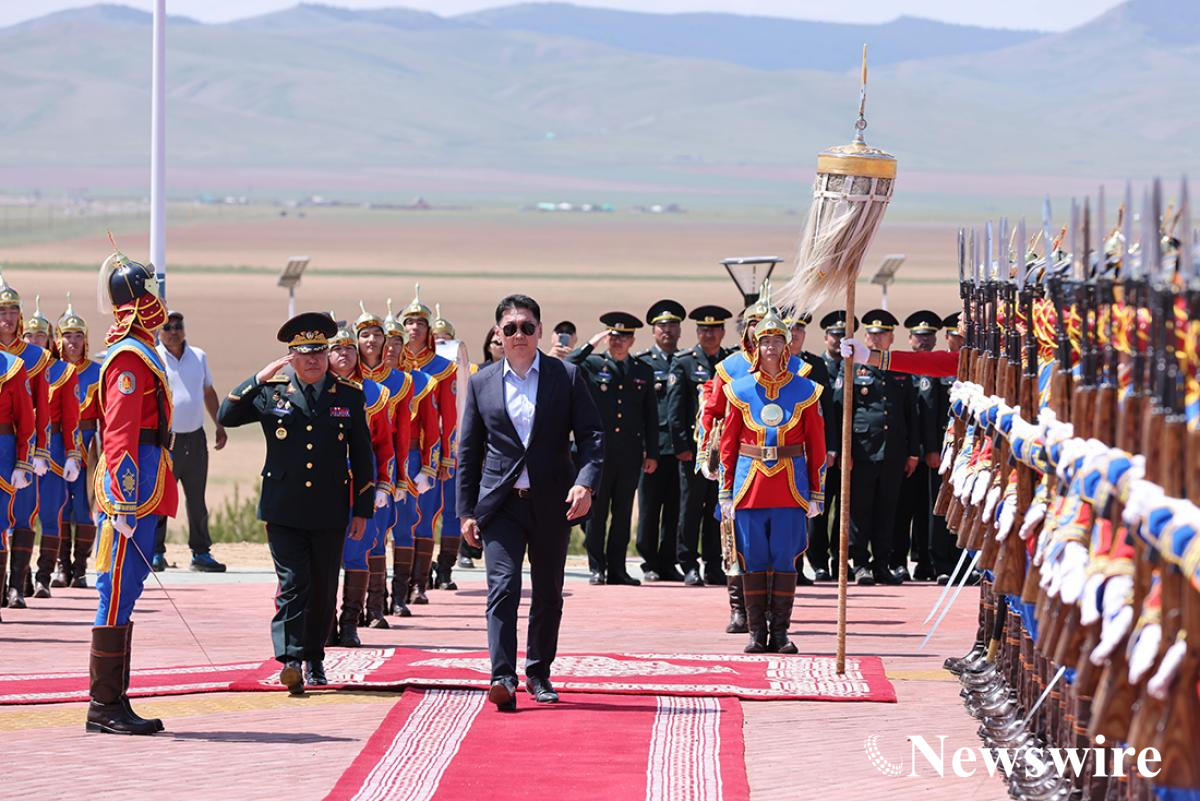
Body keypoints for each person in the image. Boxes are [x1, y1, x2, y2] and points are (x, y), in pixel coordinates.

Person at [457, 294, 603, 710]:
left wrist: (586, 484)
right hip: (500, 505)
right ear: (498, 335)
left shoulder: (566, 377)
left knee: (549, 592)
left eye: (526, 327)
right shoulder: (482, 382)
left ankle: (538, 672)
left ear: (539, 331)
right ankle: (502, 677)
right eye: (510, 328)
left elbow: (592, 436)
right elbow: (469, 451)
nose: (518, 334)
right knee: (503, 587)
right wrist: (466, 512)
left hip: (552, 502)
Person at [218, 312, 375, 694]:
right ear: (292, 356)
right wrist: (258, 378)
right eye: (305, 354)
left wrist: (362, 509)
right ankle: (290, 659)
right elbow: (227, 415)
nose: (313, 361)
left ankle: (314, 657)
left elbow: (362, 455)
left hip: (329, 508)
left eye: (319, 353)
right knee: (293, 584)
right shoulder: (271, 392)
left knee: (323, 588)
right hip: (284, 508)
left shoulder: (348, 395)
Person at [88, 247, 179, 734]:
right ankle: (104, 705)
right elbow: (120, 431)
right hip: (132, 484)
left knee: (130, 585)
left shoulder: (141, 348)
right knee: (117, 586)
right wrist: (123, 500)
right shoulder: (128, 355)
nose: (158, 300)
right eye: (150, 291)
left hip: (147, 475)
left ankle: (115, 699)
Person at [718, 309, 826, 653]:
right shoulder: (738, 389)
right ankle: (755, 633)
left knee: (784, 559)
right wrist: (725, 491)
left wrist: (817, 492)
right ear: (756, 344)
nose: (771, 348)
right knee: (751, 558)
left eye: (778, 340)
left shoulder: (807, 389)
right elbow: (728, 445)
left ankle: (780, 633)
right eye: (765, 341)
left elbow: (817, 444)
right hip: (750, 486)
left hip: (789, 486)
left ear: (787, 345)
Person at [569, 312, 659, 586]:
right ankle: (597, 567)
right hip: (598, 453)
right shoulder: (593, 364)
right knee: (596, 513)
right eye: (613, 336)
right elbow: (566, 365)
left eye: (623, 337)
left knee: (622, 513)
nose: (617, 341)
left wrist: (652, 452)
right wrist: (590, 344)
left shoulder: (642, 370)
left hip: (629, 453)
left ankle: (618, 569)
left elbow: (650, 416)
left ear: (632, 340)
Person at [325, 320, 397, 647]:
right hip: (322, 488)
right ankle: (326, 624)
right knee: (324, 559)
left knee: (357, 555)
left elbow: (384, 445)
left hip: (360, 487)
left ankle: (350, 622)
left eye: (348, 349)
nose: (344, 354)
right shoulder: (316, 389)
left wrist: (383, 485)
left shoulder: (375, 394)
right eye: (336, 349)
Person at [835, 309, 919, 586]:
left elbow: (911, 412)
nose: (877, 338)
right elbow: (841, 410)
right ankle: (860, 564)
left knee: (887, 509)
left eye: (883, 334)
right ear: (865, 337)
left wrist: (912, 452)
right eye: (872, 334)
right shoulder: (852, 367)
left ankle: (882, 563)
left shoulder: (899, 367)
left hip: (893, 451)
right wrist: (844, 450)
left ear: (892, 338)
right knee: (860, 510)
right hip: (863, 450)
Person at [666, 306, 736, 621]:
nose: (709, 334)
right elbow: (675, 409)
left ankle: (713, 562)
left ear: (722, 332)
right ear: (697, 333)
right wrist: (682, 447)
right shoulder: (684, 363)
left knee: (717, 508)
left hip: (725, 452)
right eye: (703, 330)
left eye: (714, 329)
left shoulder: (730, 363)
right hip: (696, 452)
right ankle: (689, 563)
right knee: (691, 506)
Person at [153, 310, 227, 573]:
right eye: (168, 327)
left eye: (178, 326)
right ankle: (155, 552)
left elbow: (208, 391)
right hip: (166, 440)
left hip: (195, 438)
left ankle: (201, 552)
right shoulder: (154, 358)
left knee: (197, 500)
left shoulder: (199, 356)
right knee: (161, 498)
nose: (173, 331)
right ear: (159, 332)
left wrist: (219, 424)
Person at [398, 285, 457, 602]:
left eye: (420, 323)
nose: (414, 328)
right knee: (397, 519)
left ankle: (419, 583)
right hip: (394, 453)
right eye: (408, 322)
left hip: (424, 454)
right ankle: (397, 585)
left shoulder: (443, 368)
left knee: (424, 518)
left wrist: (446, 458)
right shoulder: (392, 366)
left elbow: (449, 417)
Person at [379, 304, 438, 615]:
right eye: (386, 340)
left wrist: (428, 467)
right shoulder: (361, 382)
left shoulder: (419, 382)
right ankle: (375, 598)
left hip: (409, 459)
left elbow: (432, 427)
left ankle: (401, 594)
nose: (391, 347)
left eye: (397, 341)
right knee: (374, 529)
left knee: (405, 525)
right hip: (375, 460)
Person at [22, 300, 82, 599]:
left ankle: (43, 576)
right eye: (30, 336)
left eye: (41, 336)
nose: (36, 341)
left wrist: (73, 453)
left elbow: (72, 418)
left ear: (50, 340)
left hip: (55, 449)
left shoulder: (64, 372)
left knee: (50, 514)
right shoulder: (13, 368)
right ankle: (18, 578)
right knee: (17, 516)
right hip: (20, 449)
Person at [0, 272, 51, 610]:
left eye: (12, 311)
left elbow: (40, 409)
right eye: (1, 312)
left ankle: (17, 585)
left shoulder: (34, 357)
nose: (7, 318)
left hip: (20, 446)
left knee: (23, 514)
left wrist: (38, 452)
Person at [354, 302, 407, 627]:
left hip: (377, 471)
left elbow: (396, 437)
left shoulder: (396, 384)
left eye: (376, 334)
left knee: (376, 538)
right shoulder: (343, 380)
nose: (371, 341)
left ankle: (375, 607)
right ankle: (350, 611)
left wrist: (395, 480)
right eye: (365, 335)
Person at [891, 310, 944, 582]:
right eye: (919, 336)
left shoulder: (942, 370)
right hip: (905, 453)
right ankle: (898, 561)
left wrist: (933, 448)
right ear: (910, 339)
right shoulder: (901, 369)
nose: (924, 341)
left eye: (929, 336)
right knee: (902, 510)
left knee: (928, 512)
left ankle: (926, 562)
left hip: (933, 454)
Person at [634, 299, 685, 582]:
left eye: (673, 325)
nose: (668, 330)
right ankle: (649, 562)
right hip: (653, 447)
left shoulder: (686, 361)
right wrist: (644, 447)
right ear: (653, 330)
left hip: (680, 448)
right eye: (662, 326)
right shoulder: (643, 363)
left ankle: (668, 561)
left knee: (676, 508)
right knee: (650, 508)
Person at [54, 296, 101, 588]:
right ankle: (61, 565)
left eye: (79, 336)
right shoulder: (50, 371)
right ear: (59, 339)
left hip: (88, 449)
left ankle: (80, 567)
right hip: (58, 446)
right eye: (68, 336)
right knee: (59, 507)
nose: (73, 342)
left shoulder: (97, 372)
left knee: (84, 509)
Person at [786, 312, 836, 587]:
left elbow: (827, 408)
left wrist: (830, 449)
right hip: (783, 447)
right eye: (789, 329)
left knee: (806, 510)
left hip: (809, 449)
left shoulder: (815, 365)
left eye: (799, 329)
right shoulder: (775, 364)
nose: (794, 334)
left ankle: (799, 564)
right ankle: (783, 566)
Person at [814, 311, 857, 581]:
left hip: (851, 452)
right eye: (835, 335)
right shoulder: (817, 367)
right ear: (826, 337)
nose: (839, 341)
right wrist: (830, 449)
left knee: (845, 510)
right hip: (824, 451)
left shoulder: (855, 368)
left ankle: (840, 560)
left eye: (844, 336)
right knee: (819, 508)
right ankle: (818, 560)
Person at [0, 332, 35, 623]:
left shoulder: (13, 366)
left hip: (3, 453)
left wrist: (23, 461)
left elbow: (25, 418)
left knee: (0, 524)